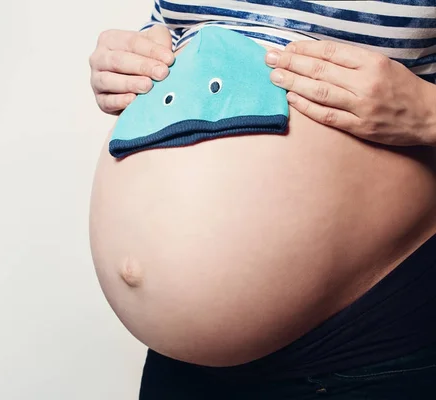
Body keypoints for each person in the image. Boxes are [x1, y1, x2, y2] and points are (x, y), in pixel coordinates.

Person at [88, 1, 436, 398]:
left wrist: (429, 113)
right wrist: (125, 60)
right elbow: (180, 29)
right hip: (183, 368)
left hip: (364, 349)